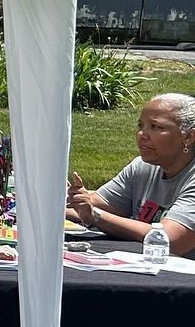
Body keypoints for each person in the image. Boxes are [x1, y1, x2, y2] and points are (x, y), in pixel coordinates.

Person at [67, 92, 195, 256]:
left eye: (156, 127)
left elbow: (170, 240)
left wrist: (95, 216)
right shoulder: (143, 167)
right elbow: (94, 205)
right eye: (141, 126)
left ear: (189, 136)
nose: (142, 135)